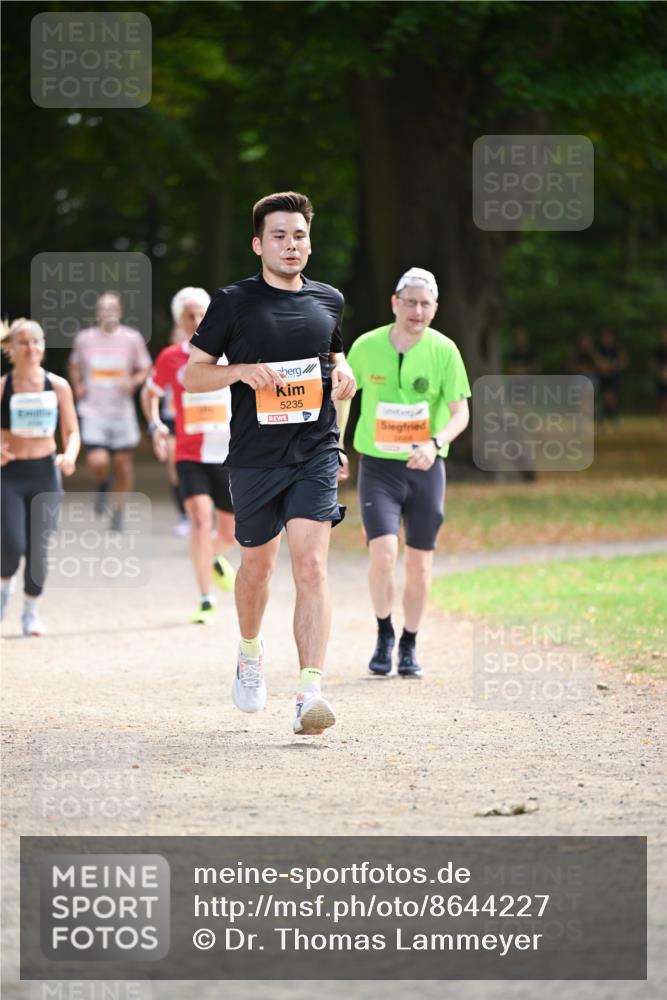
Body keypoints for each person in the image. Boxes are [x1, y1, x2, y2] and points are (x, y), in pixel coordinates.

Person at [184, 191, 356, 735]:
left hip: (315, 451)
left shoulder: (329, 300)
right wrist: (239, 371)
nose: (291, 245)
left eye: (299, 235)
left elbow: (334, 357)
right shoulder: (233, 302)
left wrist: (344, 371)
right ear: (259, 244)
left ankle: (310, 693)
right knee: (257, 567)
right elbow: (193, 375)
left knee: (312, 565)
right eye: (279, 235)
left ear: (310, 242)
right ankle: (250, 651)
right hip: (255, 458)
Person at [342, 268, 470, 678]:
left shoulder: (445, 350)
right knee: (383, 555)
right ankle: (384, 632)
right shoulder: (366, 346)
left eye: (425, 304)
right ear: (395, 303)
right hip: (378, 466)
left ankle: (409, 642)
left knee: (419, 565)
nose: (417, 311)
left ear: (435, 309)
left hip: (425, 468)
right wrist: (336, 444)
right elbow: (342, 396)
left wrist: (434, 443)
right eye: (410, 302)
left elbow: (461, 413)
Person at [142, 286, 236, 624]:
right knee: (199, 520)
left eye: (201, 314)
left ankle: (211, 557)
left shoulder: (230, 352)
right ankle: (206, 598)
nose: (196, 320)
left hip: (226, 454)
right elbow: (150, 393)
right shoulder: (171, 357)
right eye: (189, 315)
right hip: (189, 453)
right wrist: (155, 425)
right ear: (178, 320)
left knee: (228, 534)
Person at [1, 319, 80, 635]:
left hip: (45, 474)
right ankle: (4, 587)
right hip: (9, 476)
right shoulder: (3, 387)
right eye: (23, 342)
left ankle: (30, 613)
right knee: (11, 543)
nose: (31, 348)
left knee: (38, 550)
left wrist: (69, 456)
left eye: (36, 341)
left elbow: (72, 431)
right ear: (11, 348)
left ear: (43, 346)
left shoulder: (58, 386)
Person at [68, 291, 152, 531]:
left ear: (120, 311)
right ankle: (103, 484)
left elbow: (145, 368)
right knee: (98, 461)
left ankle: (118, 510)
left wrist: (134, 381)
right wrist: (78, 385)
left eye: (112, 308)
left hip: (121, 411)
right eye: (103, 308)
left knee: (123, 464)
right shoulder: (84, 339)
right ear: (97, 313)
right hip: (93, 409)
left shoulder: (132, 338)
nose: (107, 312)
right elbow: (74, 364)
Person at [594, 328, 628, 427]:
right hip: (603, 377)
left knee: (612, 398)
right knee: (606, 398)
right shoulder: (599, 350)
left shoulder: (617, 349)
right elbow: (597, 362)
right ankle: (605, 417)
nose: (606, 339)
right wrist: (602, 367)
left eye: (607, 337)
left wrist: (613, 366)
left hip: (614, 376)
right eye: (604, 337)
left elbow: (624, 361)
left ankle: (613, 417)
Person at [650, 327, 667, 419]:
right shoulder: (658, 350)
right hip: (660, 376)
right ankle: (663, 417)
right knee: (661, 397)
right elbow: (652, 364)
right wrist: (660, 372)